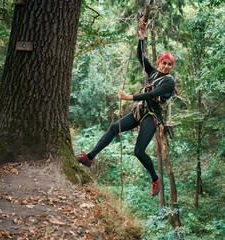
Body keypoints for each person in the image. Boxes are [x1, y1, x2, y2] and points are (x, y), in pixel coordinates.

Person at [75, 21, 176, 196]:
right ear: (159, 62)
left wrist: (129, 97)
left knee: (138, 151)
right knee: (115, 127)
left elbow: (153, 95)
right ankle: (90, 157)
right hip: (141, 110)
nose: (166, 66)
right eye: (164, 62)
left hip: (152, 116)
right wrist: (141, 36)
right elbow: (141, 57)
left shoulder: (169, 81)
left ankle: (155, 178)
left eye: (169, 64)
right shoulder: (152, 73)